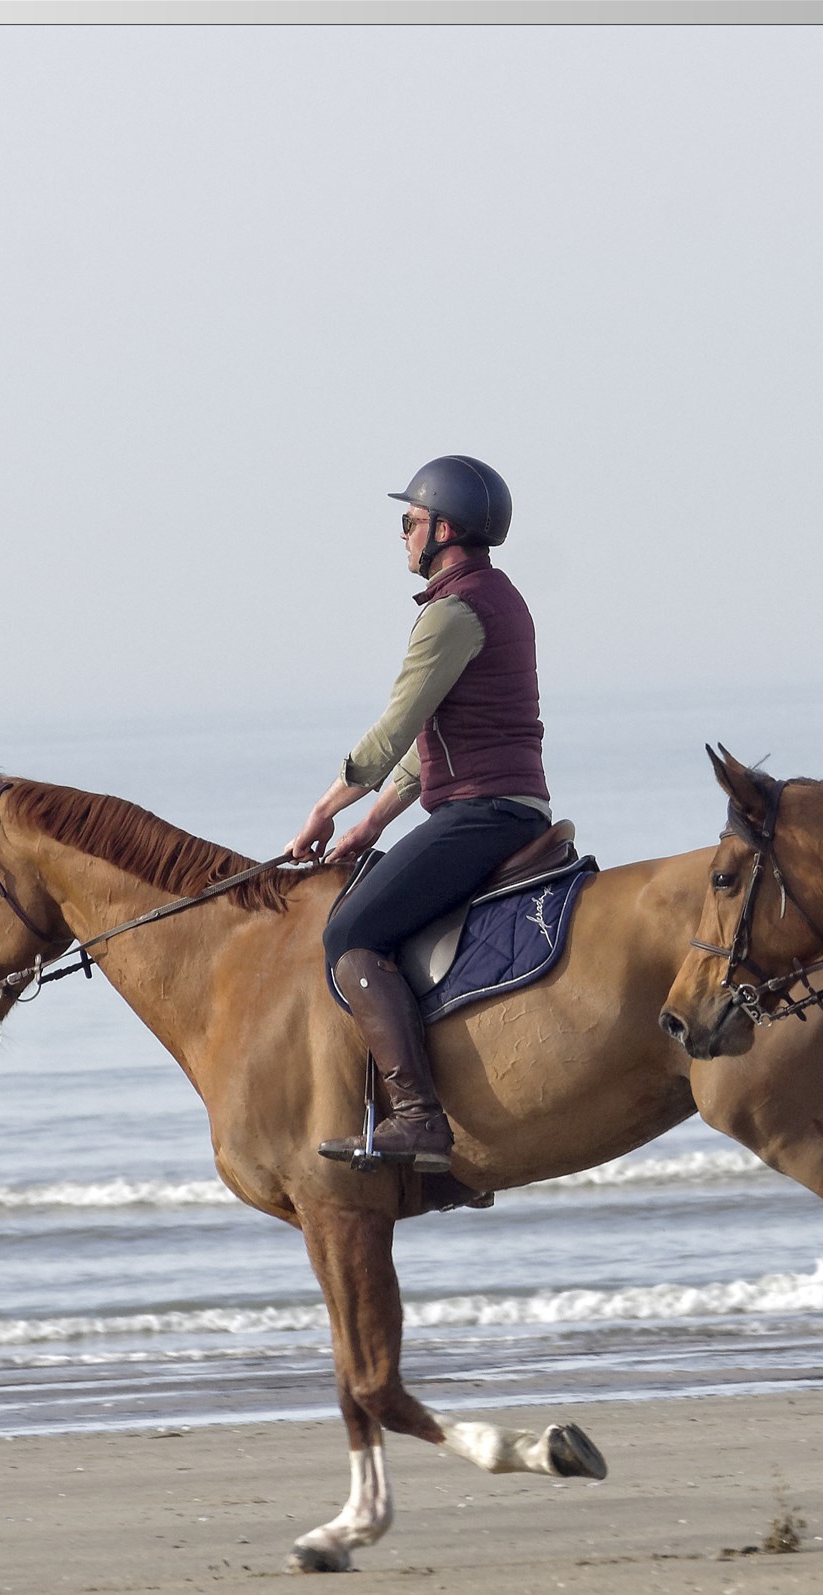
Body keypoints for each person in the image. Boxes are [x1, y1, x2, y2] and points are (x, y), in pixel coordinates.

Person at [286, 455, 551, 1173]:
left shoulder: (451, 612)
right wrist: (369, 826)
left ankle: (419, 1120)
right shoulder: (495, 596)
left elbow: (392, 732)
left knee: (350, 933)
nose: (401, 534)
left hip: (482, 812)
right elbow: (428, 745)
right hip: (503, 804)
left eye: (408, 521)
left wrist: (322, 809)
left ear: (443, 528)